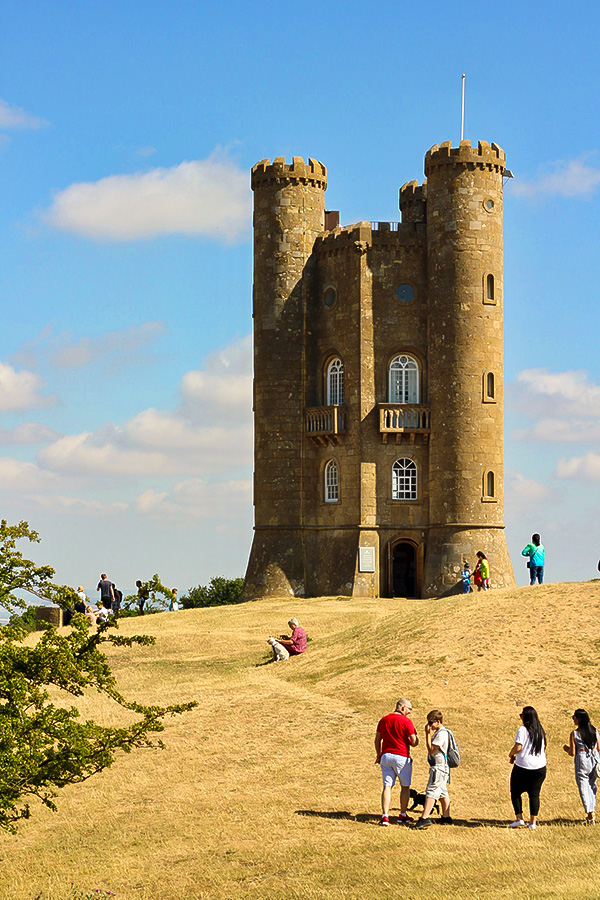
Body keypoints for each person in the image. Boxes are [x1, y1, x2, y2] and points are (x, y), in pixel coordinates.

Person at [374, 698, 419, 826]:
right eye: (409, 709)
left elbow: (377, 740)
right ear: (402, 707)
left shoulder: (384, 720)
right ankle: (402, 814)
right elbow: (414, 741)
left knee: (387, 786)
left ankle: (385, 816)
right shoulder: (406, 721)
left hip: (386, 756)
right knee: (405, 787)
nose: (410, 712)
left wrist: (378, 755)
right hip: (401, 756)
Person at [508, 706, 547, 829]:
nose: (520, 717)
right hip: (540, 767)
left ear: (526, 717)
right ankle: (533, 822)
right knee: (534, 794)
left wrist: (511, 754)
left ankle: (519, 818)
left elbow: (518, 747)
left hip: (523, 766)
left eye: (522, 715)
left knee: (515, 791)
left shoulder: (523, 729)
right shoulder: (540, 730)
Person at [413, 709, 452, 829]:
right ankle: (446, 817)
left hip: (439, 768)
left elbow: (431, 750)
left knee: (431, 791)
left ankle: (424, 818)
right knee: (442, 792)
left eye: (431, 723)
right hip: (441, 767)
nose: (429, 725)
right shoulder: (440, 732)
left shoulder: (441, 734)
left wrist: (427, 734)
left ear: (438, 721)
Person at [563, 708, 600, 824]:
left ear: (578, 719)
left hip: (582, 759)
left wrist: (566, 749)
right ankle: (591, 811)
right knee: (592, 785)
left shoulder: (575, 733)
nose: (573, 719)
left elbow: (572, 752)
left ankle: (590, 815)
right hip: (595, 758)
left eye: (574, 717)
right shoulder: (595, 731)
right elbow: (599, 749)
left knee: (584, 787)